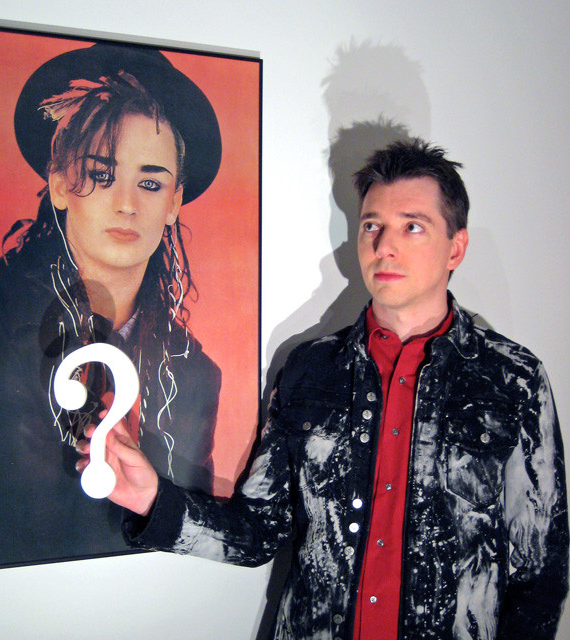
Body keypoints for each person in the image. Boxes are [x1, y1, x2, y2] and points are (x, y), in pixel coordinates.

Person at [80, 140, 569, 639]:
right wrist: (153, 499)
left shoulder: (513, 379)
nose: (384, 246)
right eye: (372, 226)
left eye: (412, 227)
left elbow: (540, 576)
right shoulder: (310, 368)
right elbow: (259, 530)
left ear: (456, 248)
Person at [0, 43, 222, 570]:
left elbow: (190, 541)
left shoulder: (192, 371)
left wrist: (0, 544)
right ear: (60, 184)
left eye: (150, 182)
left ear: (175, 201)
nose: (127, 204)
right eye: (101, 174)